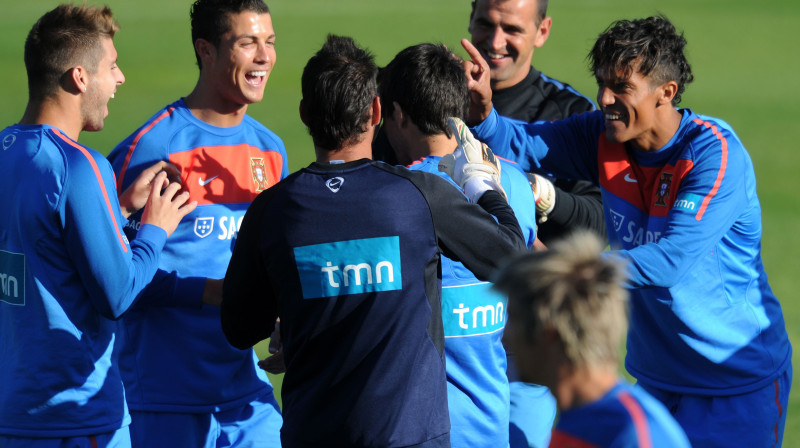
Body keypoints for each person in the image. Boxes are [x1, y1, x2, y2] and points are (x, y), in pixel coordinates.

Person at [464, 15, 793, 448]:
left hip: (733, 385)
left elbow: (671, 260)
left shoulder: (713, 153)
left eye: (621, 87)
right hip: (657, 380)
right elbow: (524, 142)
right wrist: (485, 113)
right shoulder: (604, 136)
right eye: (601, 82)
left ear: (666, 93)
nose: (604, 98)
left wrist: (568, 271)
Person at [220, 34, 526, 448]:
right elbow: (515, 262)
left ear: (305, 114)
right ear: (376, 111)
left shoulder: (272, 210)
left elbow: (239, 329)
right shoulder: (420, 197)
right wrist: (482, 187)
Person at [0, 4, 196, 447]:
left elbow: (41, 245)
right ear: (79, 77)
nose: (121, 78)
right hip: (76, 419)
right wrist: (155, 227)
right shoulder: (81, 165)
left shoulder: (6, 152)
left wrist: (119, 212)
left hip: (12, 415)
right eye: (111, 66)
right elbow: (117, 294)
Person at [105, 1, 286, 446]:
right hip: (164, 400)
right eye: (248, 43)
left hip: (247, 399)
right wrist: (212, 293)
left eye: (269, 42)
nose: (264, 56)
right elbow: (109, 280)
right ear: (206, 50)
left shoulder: (271, 150)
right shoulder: (151, 149)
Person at [377, 42, 537, 448]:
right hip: (490, 429)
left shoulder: (389, 195)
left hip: (412, 432)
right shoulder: (514, 183)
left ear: (396, 113)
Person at [494, 231, 691, 448]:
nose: (506, 338)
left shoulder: (635, 435)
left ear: (547, 331)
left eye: (512, 320)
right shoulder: (576, 420)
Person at [468, 0, 604, 244]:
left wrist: (539, 192)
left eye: (512, 29)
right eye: (486, 24)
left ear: (542, 31)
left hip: (527, 280)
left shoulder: (572, 111)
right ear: (471, 18)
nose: (495, 42)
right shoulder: (436, 95)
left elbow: (600, 225)